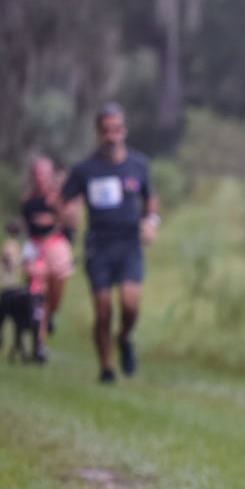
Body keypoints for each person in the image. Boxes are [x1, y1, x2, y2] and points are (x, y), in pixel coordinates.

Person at [61, 104, 160, 384]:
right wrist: (68, 214)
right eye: (106, 131)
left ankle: (125, 338)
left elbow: (151, 198)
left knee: (130, 305)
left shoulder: (138, 164)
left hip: (129, 244)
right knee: (103, 310)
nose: (111, 136)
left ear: (124, 131)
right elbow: (63, 201)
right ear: (97, 133)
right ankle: (106, 368)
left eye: (116, 130)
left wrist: (152, 221)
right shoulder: (85, 169)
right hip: (99, 246)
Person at [20, 156, 75, 330]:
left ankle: (51, 314)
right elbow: (26, 225)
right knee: (36, 293)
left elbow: (70, 222)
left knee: (55, 294)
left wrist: (52, 220)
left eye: (43, 174)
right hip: (36, 248)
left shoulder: (57, 199)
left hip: (56, 247)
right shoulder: (27, 200)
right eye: (36, 174)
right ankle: (39, 337)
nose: (39, 177)